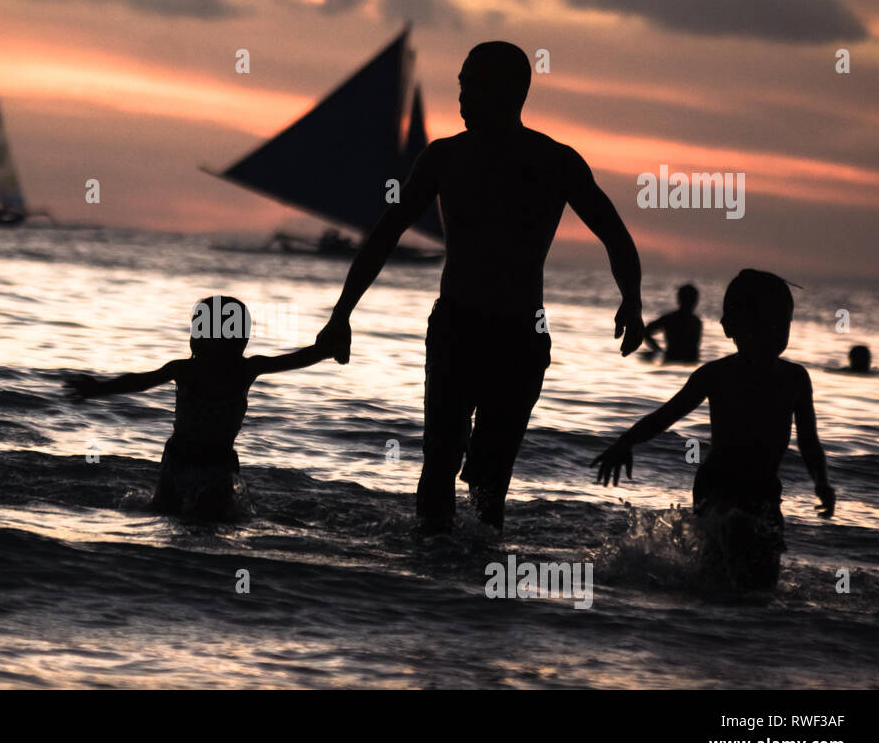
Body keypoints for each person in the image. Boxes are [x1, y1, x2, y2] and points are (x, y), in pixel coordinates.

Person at [316, 41, 645, 533]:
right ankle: (434, 580)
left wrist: (632, 302)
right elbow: (387, 231)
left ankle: (482, 592)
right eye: (460, 85)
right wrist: (342, 313)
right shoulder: (444, 157)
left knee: (491, 480)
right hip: (456, 328)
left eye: (472, 85)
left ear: (511, 92)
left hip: (520, 335)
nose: (462, 98)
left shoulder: (554, 161)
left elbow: (614, 234)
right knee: (439, 464)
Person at [591, 269, 835, 590]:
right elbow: (666, 415)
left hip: (765, 491)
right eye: (763, 323)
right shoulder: (717, 375)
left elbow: (808, 440)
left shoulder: (795, 379)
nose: (775, 332)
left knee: (763, 578)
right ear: (729, 327)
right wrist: (624, 443)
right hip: (718, 486)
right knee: (721, 563)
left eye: (783, 323)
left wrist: (821, 483)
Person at [67, 296, 331, 519]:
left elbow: (294, 359)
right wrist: (100, 388)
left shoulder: (241, 369)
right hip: (186, 461)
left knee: (199, 519)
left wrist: (325, 350)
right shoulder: (194, 370)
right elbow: (140, 381)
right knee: (185, 517)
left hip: (211, 465)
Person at [642, 284, 701, 363]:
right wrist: (658, 350)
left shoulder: (696, 322)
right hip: (677, 360)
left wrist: (658, 350)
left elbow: (645, 332)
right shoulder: (671, 319)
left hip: (677, 360)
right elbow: (645, 332)